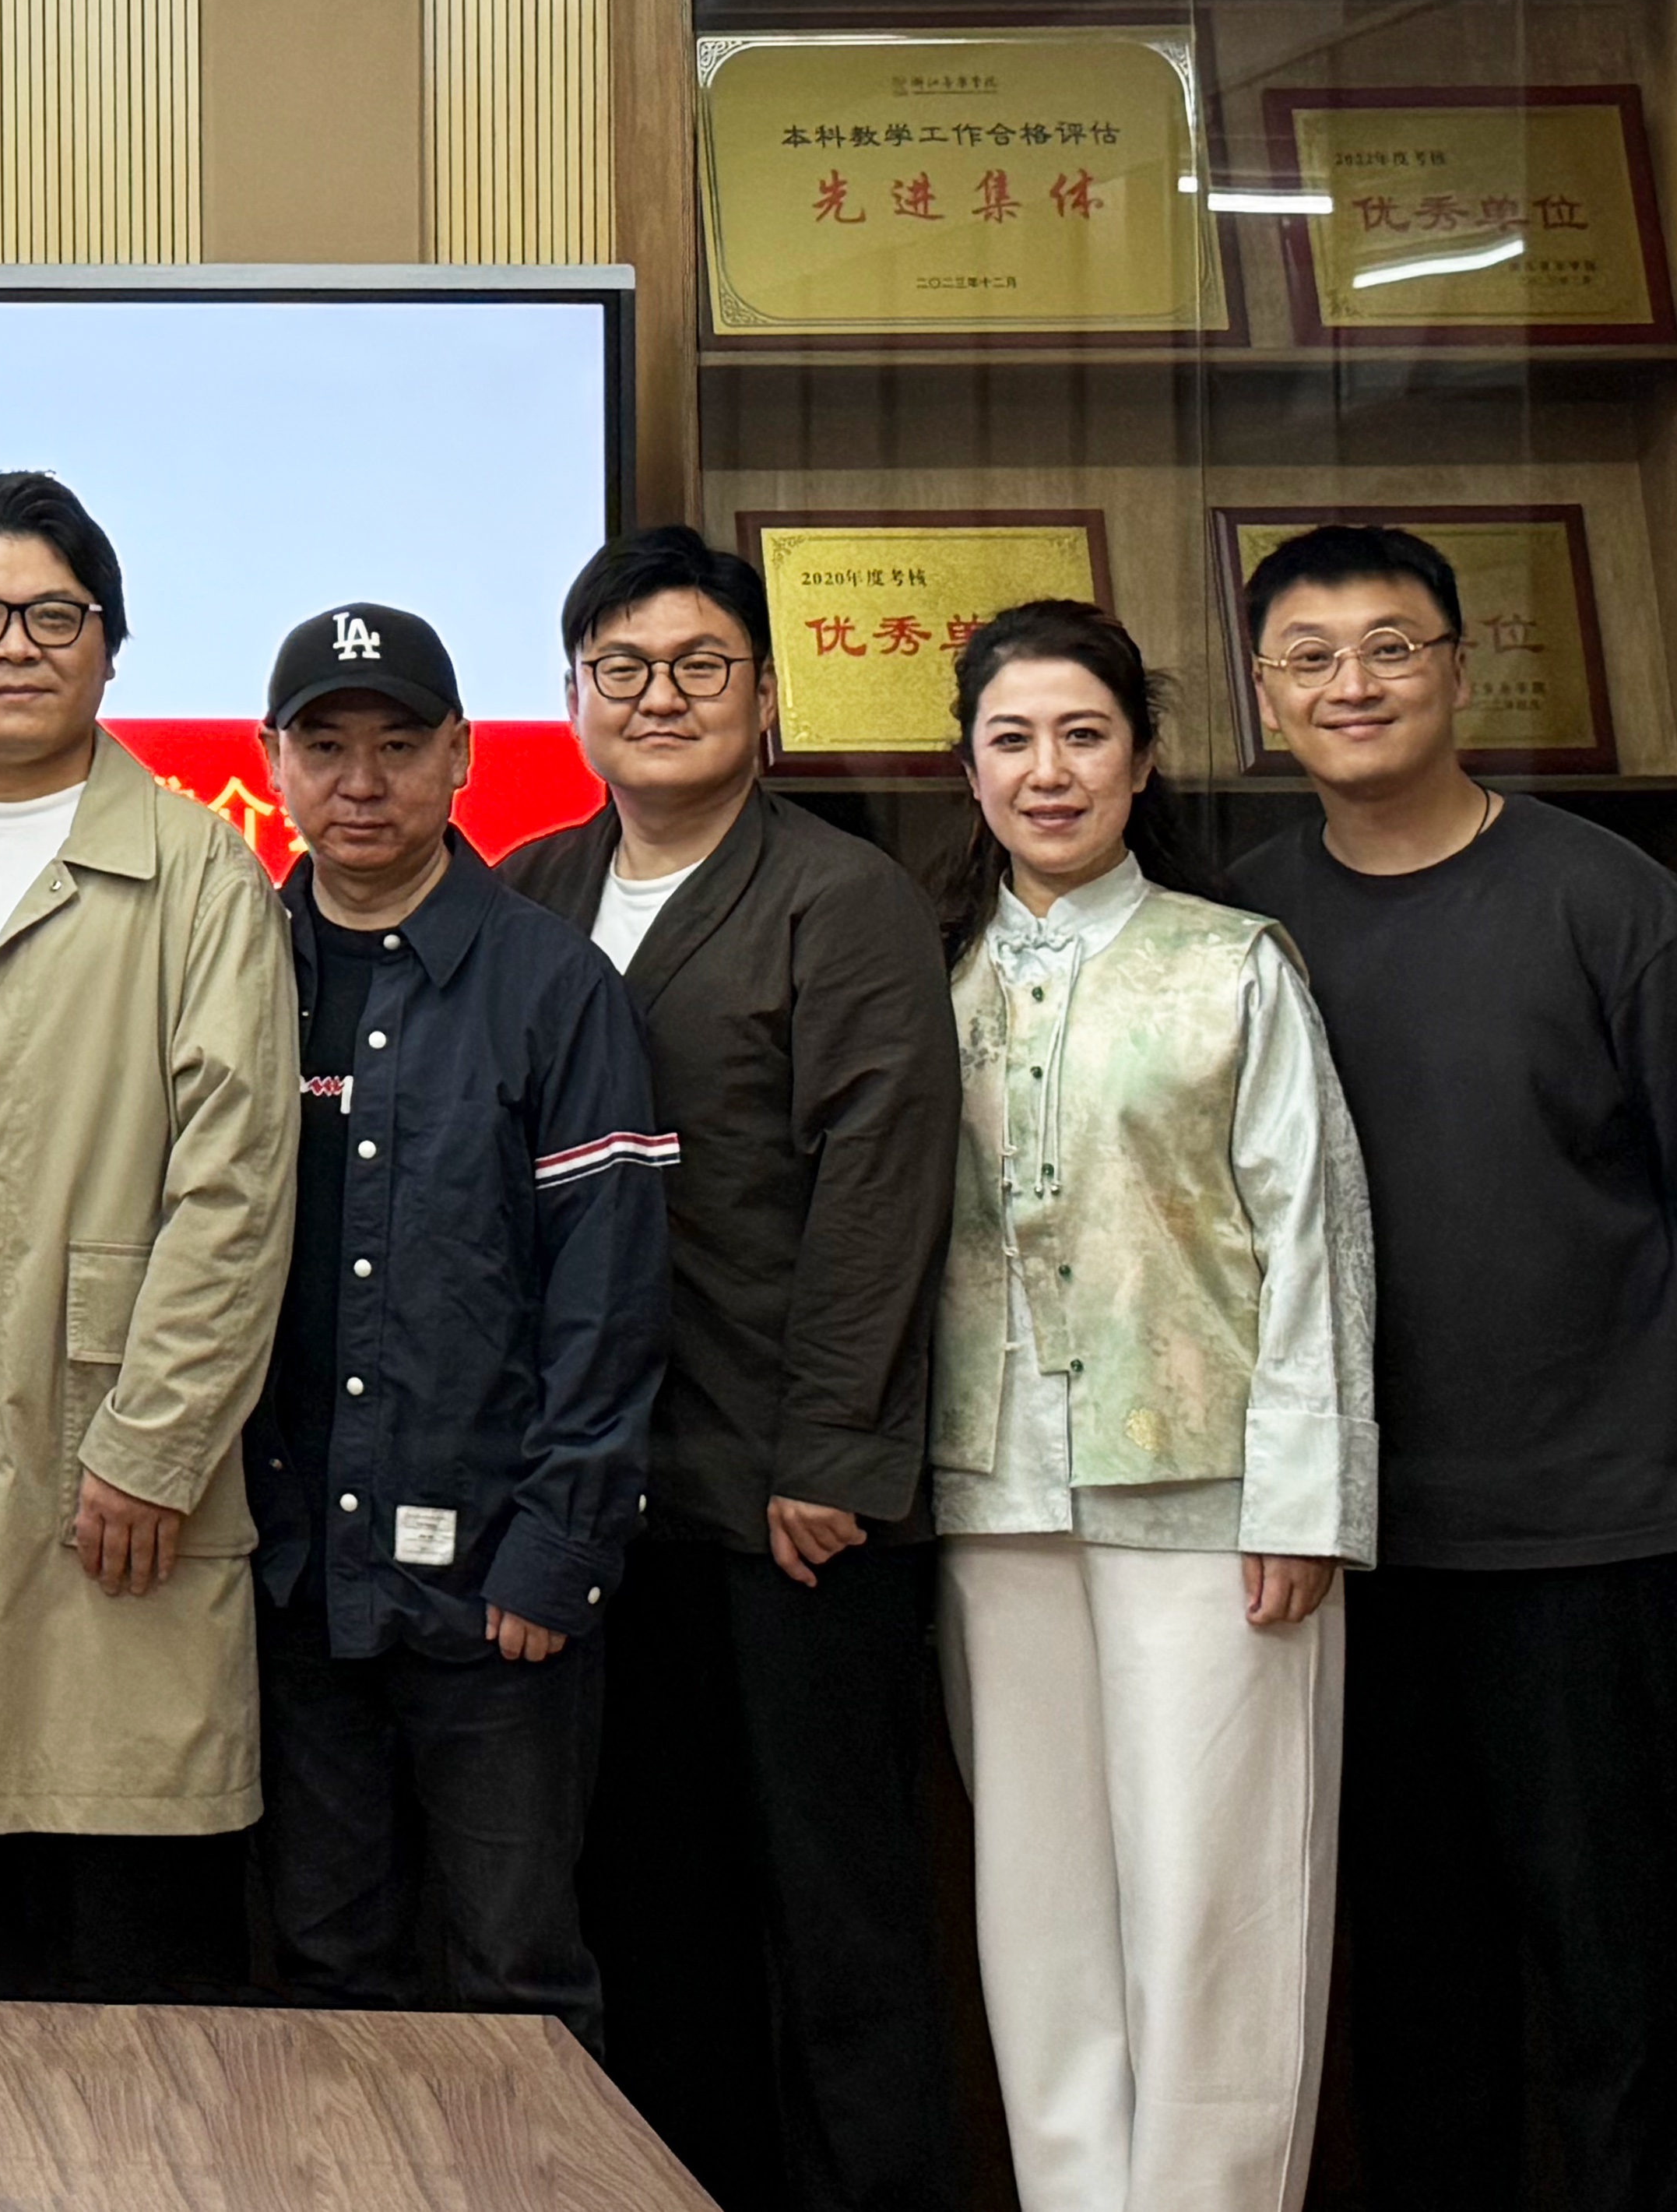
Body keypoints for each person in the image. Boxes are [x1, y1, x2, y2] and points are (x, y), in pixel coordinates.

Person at [1229, 523, 1677, 2212]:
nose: (1354, 683)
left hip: (1582, 1545)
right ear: (1265, 695)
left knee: (1614, 1977)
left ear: (1462, 671)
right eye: (1311, 656)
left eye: (1392, 646)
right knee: (1413, 1986)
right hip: (1344, 1549)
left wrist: (1591, 1379)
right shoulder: (1240, 923)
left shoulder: (1615, 907)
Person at [509, 531, 964, 2210]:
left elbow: (881, 1191)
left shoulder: (840, 900)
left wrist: (833, 1454)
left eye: (701, 665)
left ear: (767, 698)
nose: (661, 697)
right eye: (621, 669)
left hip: (787, 1506)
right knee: (651, 1907)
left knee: (837, 1924)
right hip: (602, 1507)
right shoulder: (534, 889)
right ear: (572, 698)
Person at [926, 598, 1373, 2212]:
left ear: (1143, 756)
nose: (1048, 772)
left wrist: (1307, 1501)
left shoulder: (1229, 964)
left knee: (1215, 1905)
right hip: (992, 1489)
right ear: (969, 769)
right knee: (1036, 1911)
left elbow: (1316, 1240)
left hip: (1212, 1498)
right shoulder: (932, 979)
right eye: (1013, 739)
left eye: (1084, 735)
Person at [0, 469, 295, 1999]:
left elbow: (236, 1186)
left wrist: (156, 1442)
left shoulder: (198, 866)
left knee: (137, 1971)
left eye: (54, 615)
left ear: (111, 643)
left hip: (109, 1469)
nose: (14, 646)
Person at [242, 600, 672, 2041]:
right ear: (273, 762)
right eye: (326, 749)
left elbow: (608, 1297)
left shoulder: (556, 985)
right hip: (291, 1585)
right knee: (325, 1977)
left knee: (514, 1980)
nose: (361, 783)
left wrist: (559, 1547)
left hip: (497, 1590)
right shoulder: (236, 969)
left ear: (463, 755)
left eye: (399, 746)